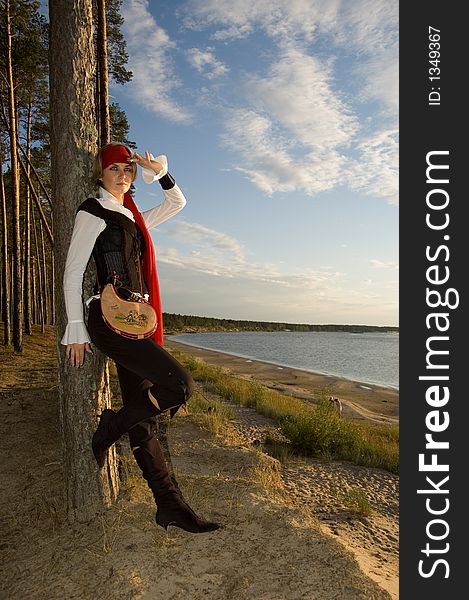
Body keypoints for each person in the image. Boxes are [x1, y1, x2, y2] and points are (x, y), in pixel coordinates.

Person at [61, 142, 220, 534]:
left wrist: (156, 170)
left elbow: (177, 202)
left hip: (134, 321)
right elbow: (72, 271)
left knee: (145, 421)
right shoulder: (93, 211)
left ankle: (170, 506)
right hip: (106, 317)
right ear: (100, 175)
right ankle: (111, 427)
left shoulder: (132, 215)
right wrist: (75, 329)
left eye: (127, 170)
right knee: (180, 385)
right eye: (114, 169)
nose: (122, 175)